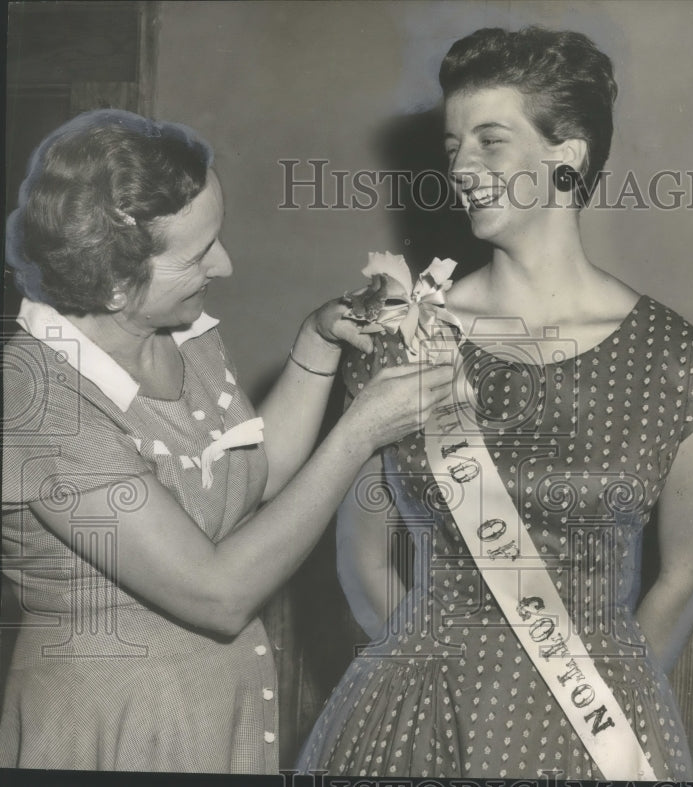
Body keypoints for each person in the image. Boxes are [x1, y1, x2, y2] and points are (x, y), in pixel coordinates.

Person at [296, 27, 693, 780]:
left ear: (569, 154)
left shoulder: (672, 357)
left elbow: (687, 571)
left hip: (597, 724)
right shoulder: (405, 337)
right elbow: (360, 558)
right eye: (453, 143)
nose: (461, 166)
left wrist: (602, 695)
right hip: (423, 722)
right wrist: (433, 678)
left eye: (491, 141)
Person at [0, 109, 452, 772]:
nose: (226, 263)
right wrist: (361, 432)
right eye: (198, 253)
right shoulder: (37, 401)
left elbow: (256, 477)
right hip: (107, 736)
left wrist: (317, 341)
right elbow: (218, 594)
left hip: (216, 724)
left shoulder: (181, 335)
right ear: (116, 278)